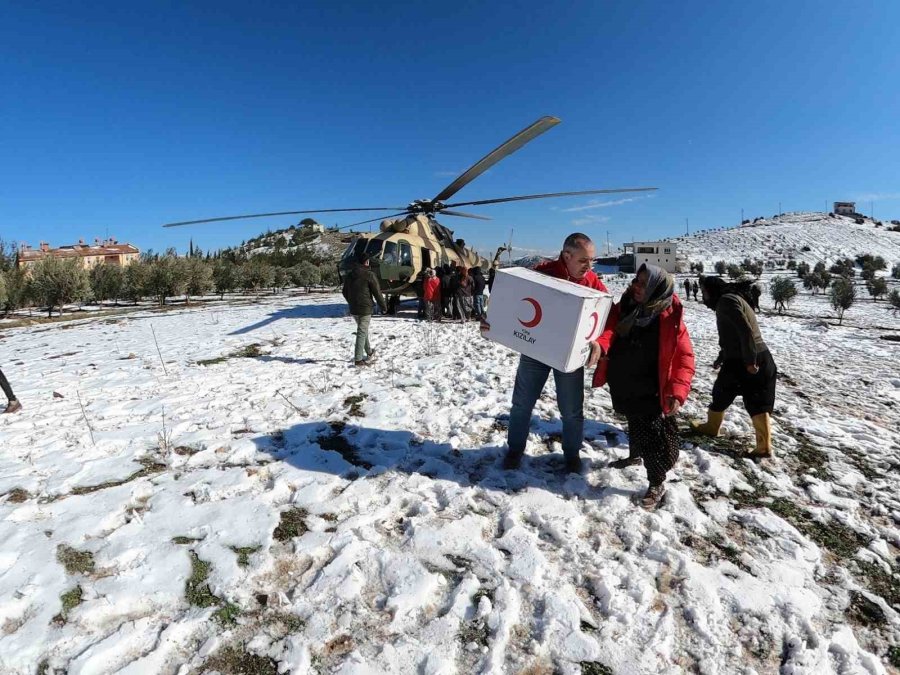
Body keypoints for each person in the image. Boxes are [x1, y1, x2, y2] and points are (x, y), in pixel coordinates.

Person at [481, 233, 608, 473]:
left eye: (593, 261)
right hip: (535, 352)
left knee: (572, 411)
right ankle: (515, 451)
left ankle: (572, 456)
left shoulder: (593, 282)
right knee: (521, 404)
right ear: (566, 255)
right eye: (584, 261)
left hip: (569, 359)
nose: (589, 267)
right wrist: (492, 320)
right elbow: (512, 301)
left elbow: (609, 316)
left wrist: (601, 341)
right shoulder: (541, 274)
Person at [592, 263, 695, 508]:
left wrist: (678, 393)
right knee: (634, 422)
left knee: (652, 436)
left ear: (656, 288)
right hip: (625, 381)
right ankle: (634, 455)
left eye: (641, 283)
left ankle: (656, 481)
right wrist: (602, 346)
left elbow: (684, 357)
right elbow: (608, 328)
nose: (634, 286)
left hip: (652, 387)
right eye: (635, 280)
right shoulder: (627, 305)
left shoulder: (669, 316)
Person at [690, 276, 777, 458]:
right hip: (752, 356)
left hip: (745, 359)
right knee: (751, 399)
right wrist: (722, 356)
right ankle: (762, 445)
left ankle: (713, 428)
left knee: (729, 394)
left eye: (704, 292)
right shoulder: (730, 299)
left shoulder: (726, 301)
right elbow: (733, 334)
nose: (703, 296)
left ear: (712, 291)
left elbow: (745, 331)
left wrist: (750, 361)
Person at [341, 251, 387, 367]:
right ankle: (358, 359)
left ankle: (369, 352)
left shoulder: (350, 275)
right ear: (366, 262)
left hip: (354, 308)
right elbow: (377, 293)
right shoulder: (369, 274)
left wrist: (351, 301)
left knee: (363, 330)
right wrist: (383, 307)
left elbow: (344, 291)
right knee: (362, 332)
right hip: (365, 308)